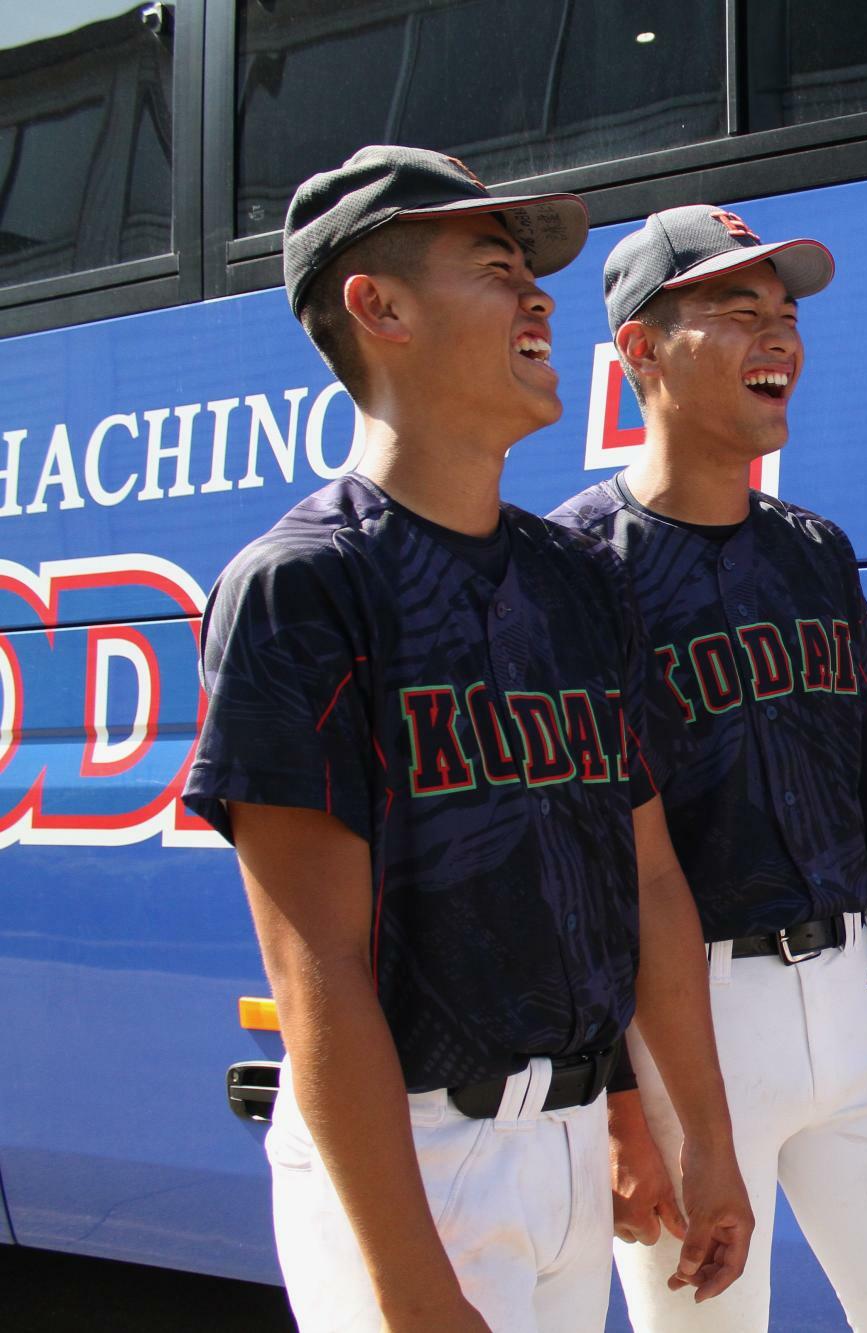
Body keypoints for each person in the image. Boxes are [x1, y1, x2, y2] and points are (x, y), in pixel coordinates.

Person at [182, 147, 753, 1333]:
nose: (540, 295)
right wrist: (407, 1286)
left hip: (564, 1149)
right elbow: (317, 974)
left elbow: (648, 878)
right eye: (496, 268)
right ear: (377, 306)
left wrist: (703, 1139)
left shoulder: (578, 579)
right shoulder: (302, 586)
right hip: (412, 1159)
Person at [549, 204, 867, 1331]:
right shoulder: (567, 568)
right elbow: (572, 866)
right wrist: (614, 1099)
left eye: (786, 314)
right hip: (682, 1031)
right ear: (639, 349)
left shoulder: (812, 548)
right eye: (737, 310)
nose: (778, 338)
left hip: (854, 1006)